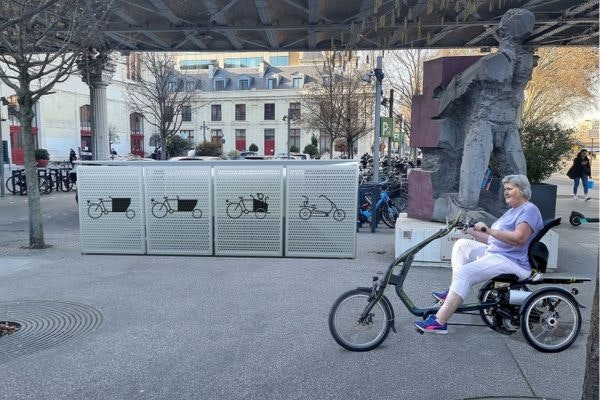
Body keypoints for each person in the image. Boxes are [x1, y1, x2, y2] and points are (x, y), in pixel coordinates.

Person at [415, 174, 543, 334]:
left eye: (510, 189)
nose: (506, 192)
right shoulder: (512, 211)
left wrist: (489, 229)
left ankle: (440, 321)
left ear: (522, 190)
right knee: (461, 245)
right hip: (499, 254)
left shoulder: (529, 210)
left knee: (465, 273)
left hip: (513, 262)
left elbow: (519, 238)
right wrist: (471, 231)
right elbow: (493, 240)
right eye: (505, 189)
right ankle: (452, 292)